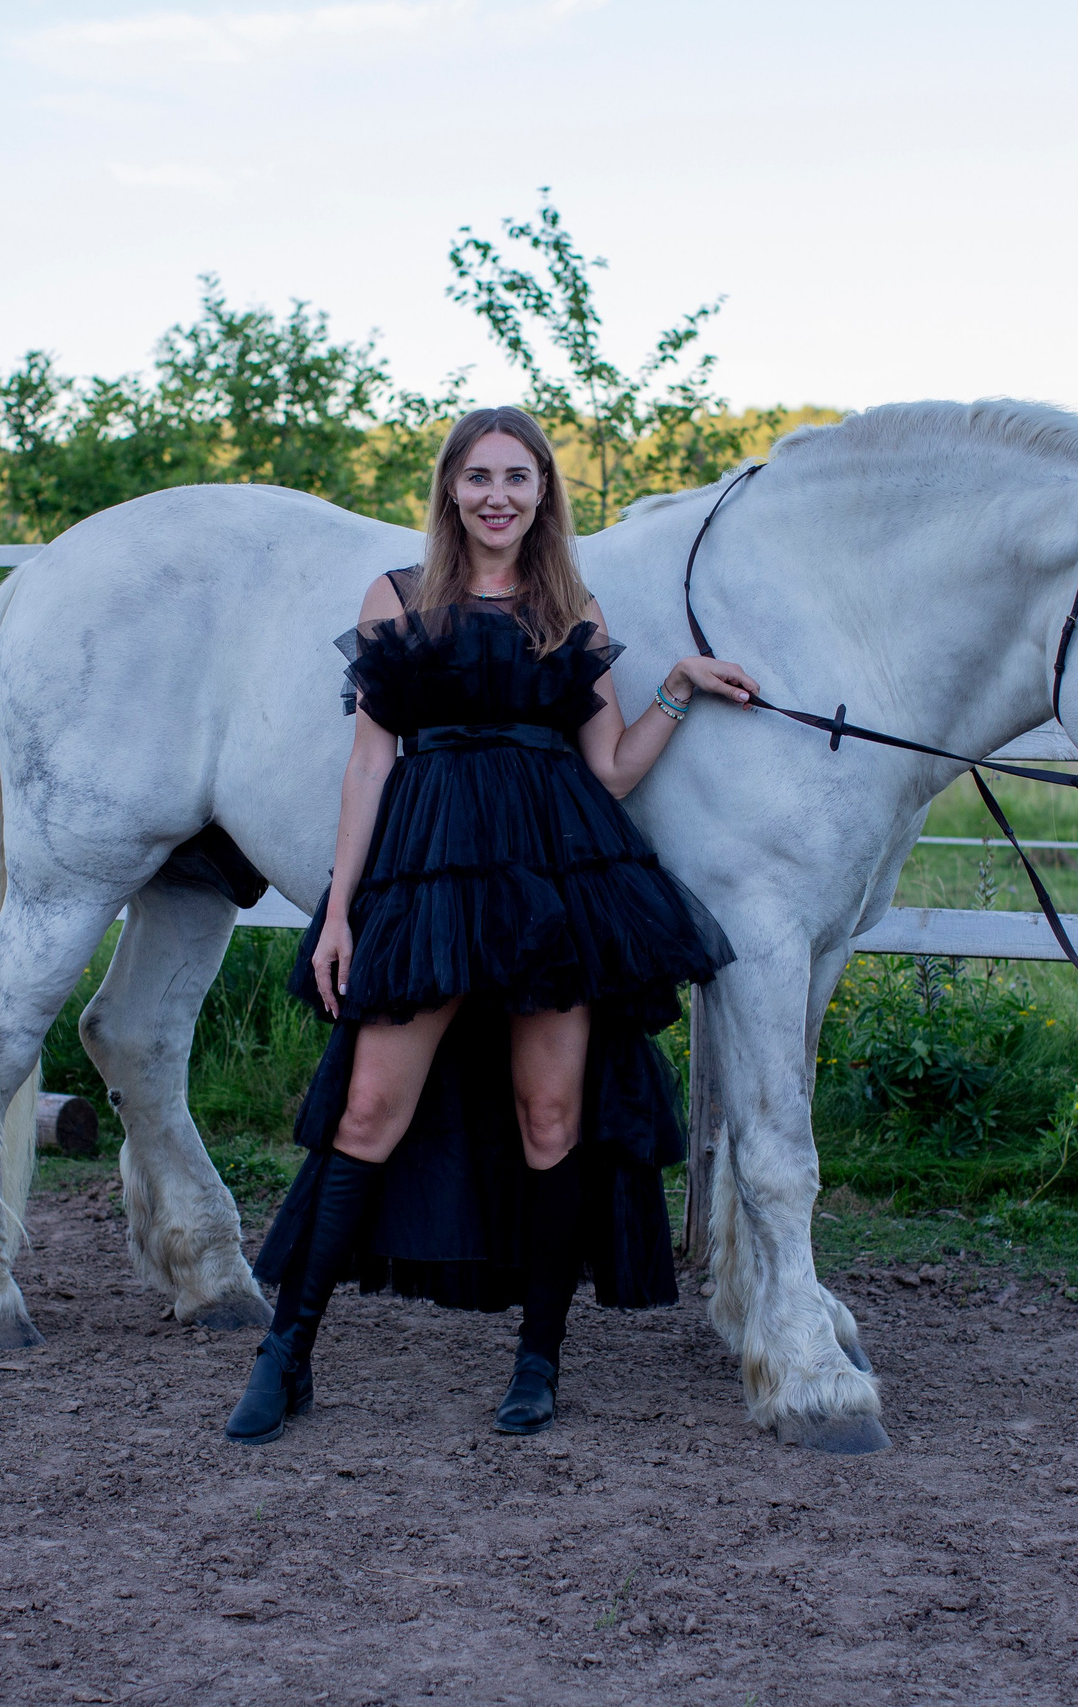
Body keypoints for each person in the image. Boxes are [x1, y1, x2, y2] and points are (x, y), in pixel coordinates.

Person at [224, 404, 757, 1445]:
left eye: (518, 477)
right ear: (450, 490)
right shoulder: (401, 597)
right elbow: (371, 760)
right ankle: (286, 1353)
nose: (498, 496)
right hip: (425, 872)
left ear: (543, 491)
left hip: (551, 878)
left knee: (551, 1121)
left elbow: (608, 768)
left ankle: (538, 1358)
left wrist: (679, 688)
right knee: (367, 1113)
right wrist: (338, 913)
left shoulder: (571, 606)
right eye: (479, 478)